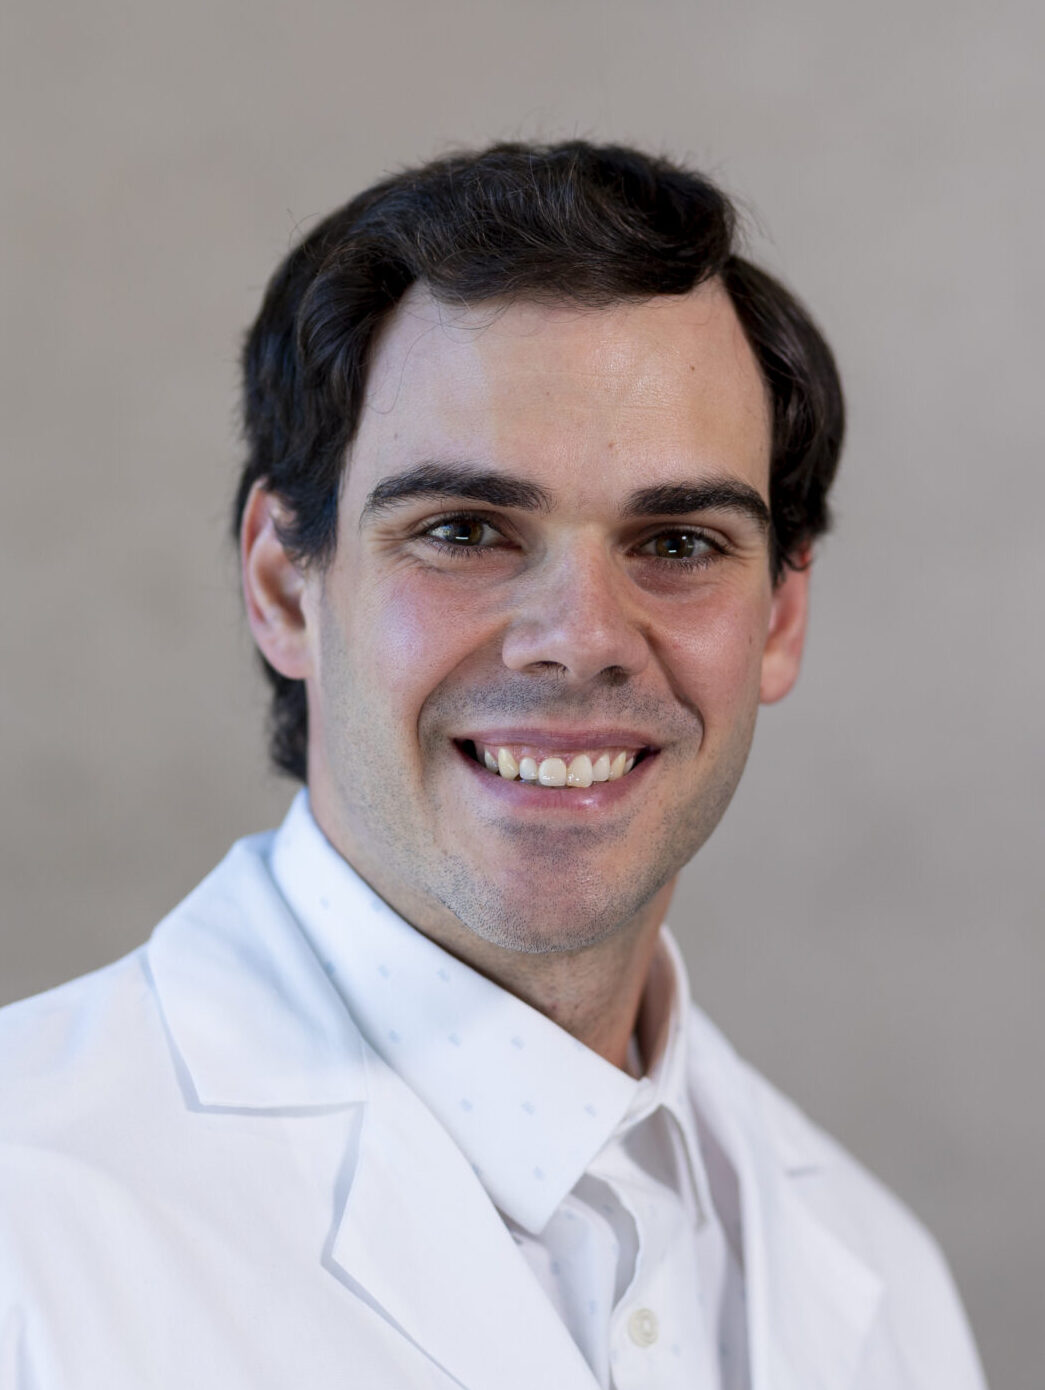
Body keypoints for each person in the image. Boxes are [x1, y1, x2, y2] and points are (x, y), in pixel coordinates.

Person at [0, 142, 987, 1390]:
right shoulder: (27, 1217)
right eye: (464, 530)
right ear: (284, 586)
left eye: (679, 542)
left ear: (780, 616)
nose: (580, 637)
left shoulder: (877, 1274)